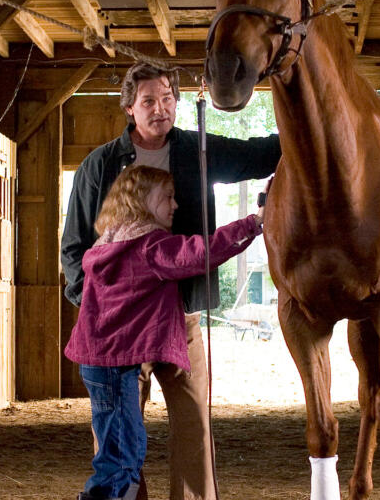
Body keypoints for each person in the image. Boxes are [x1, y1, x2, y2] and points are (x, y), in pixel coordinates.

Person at [61, 62, 281, 500]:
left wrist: (303, 129)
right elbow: (74, 246)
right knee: (119, 429)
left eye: (167, 99)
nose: (160, 109)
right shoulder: (98, 166)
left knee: (194, 420)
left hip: (183, 316)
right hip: (121, 328)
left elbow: (257, 155)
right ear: (129, 108)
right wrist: (101, 305)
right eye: (148, 101)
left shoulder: (197, 149)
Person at [66, 165, 265, 500]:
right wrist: (254, 224)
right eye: (167, 198)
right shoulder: (150, 247)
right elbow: (203, 251)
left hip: (103, 366)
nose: (175, 205)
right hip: (116, 367)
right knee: (121, 460)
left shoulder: (108, 243)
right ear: (143, 201)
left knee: (119, 454)